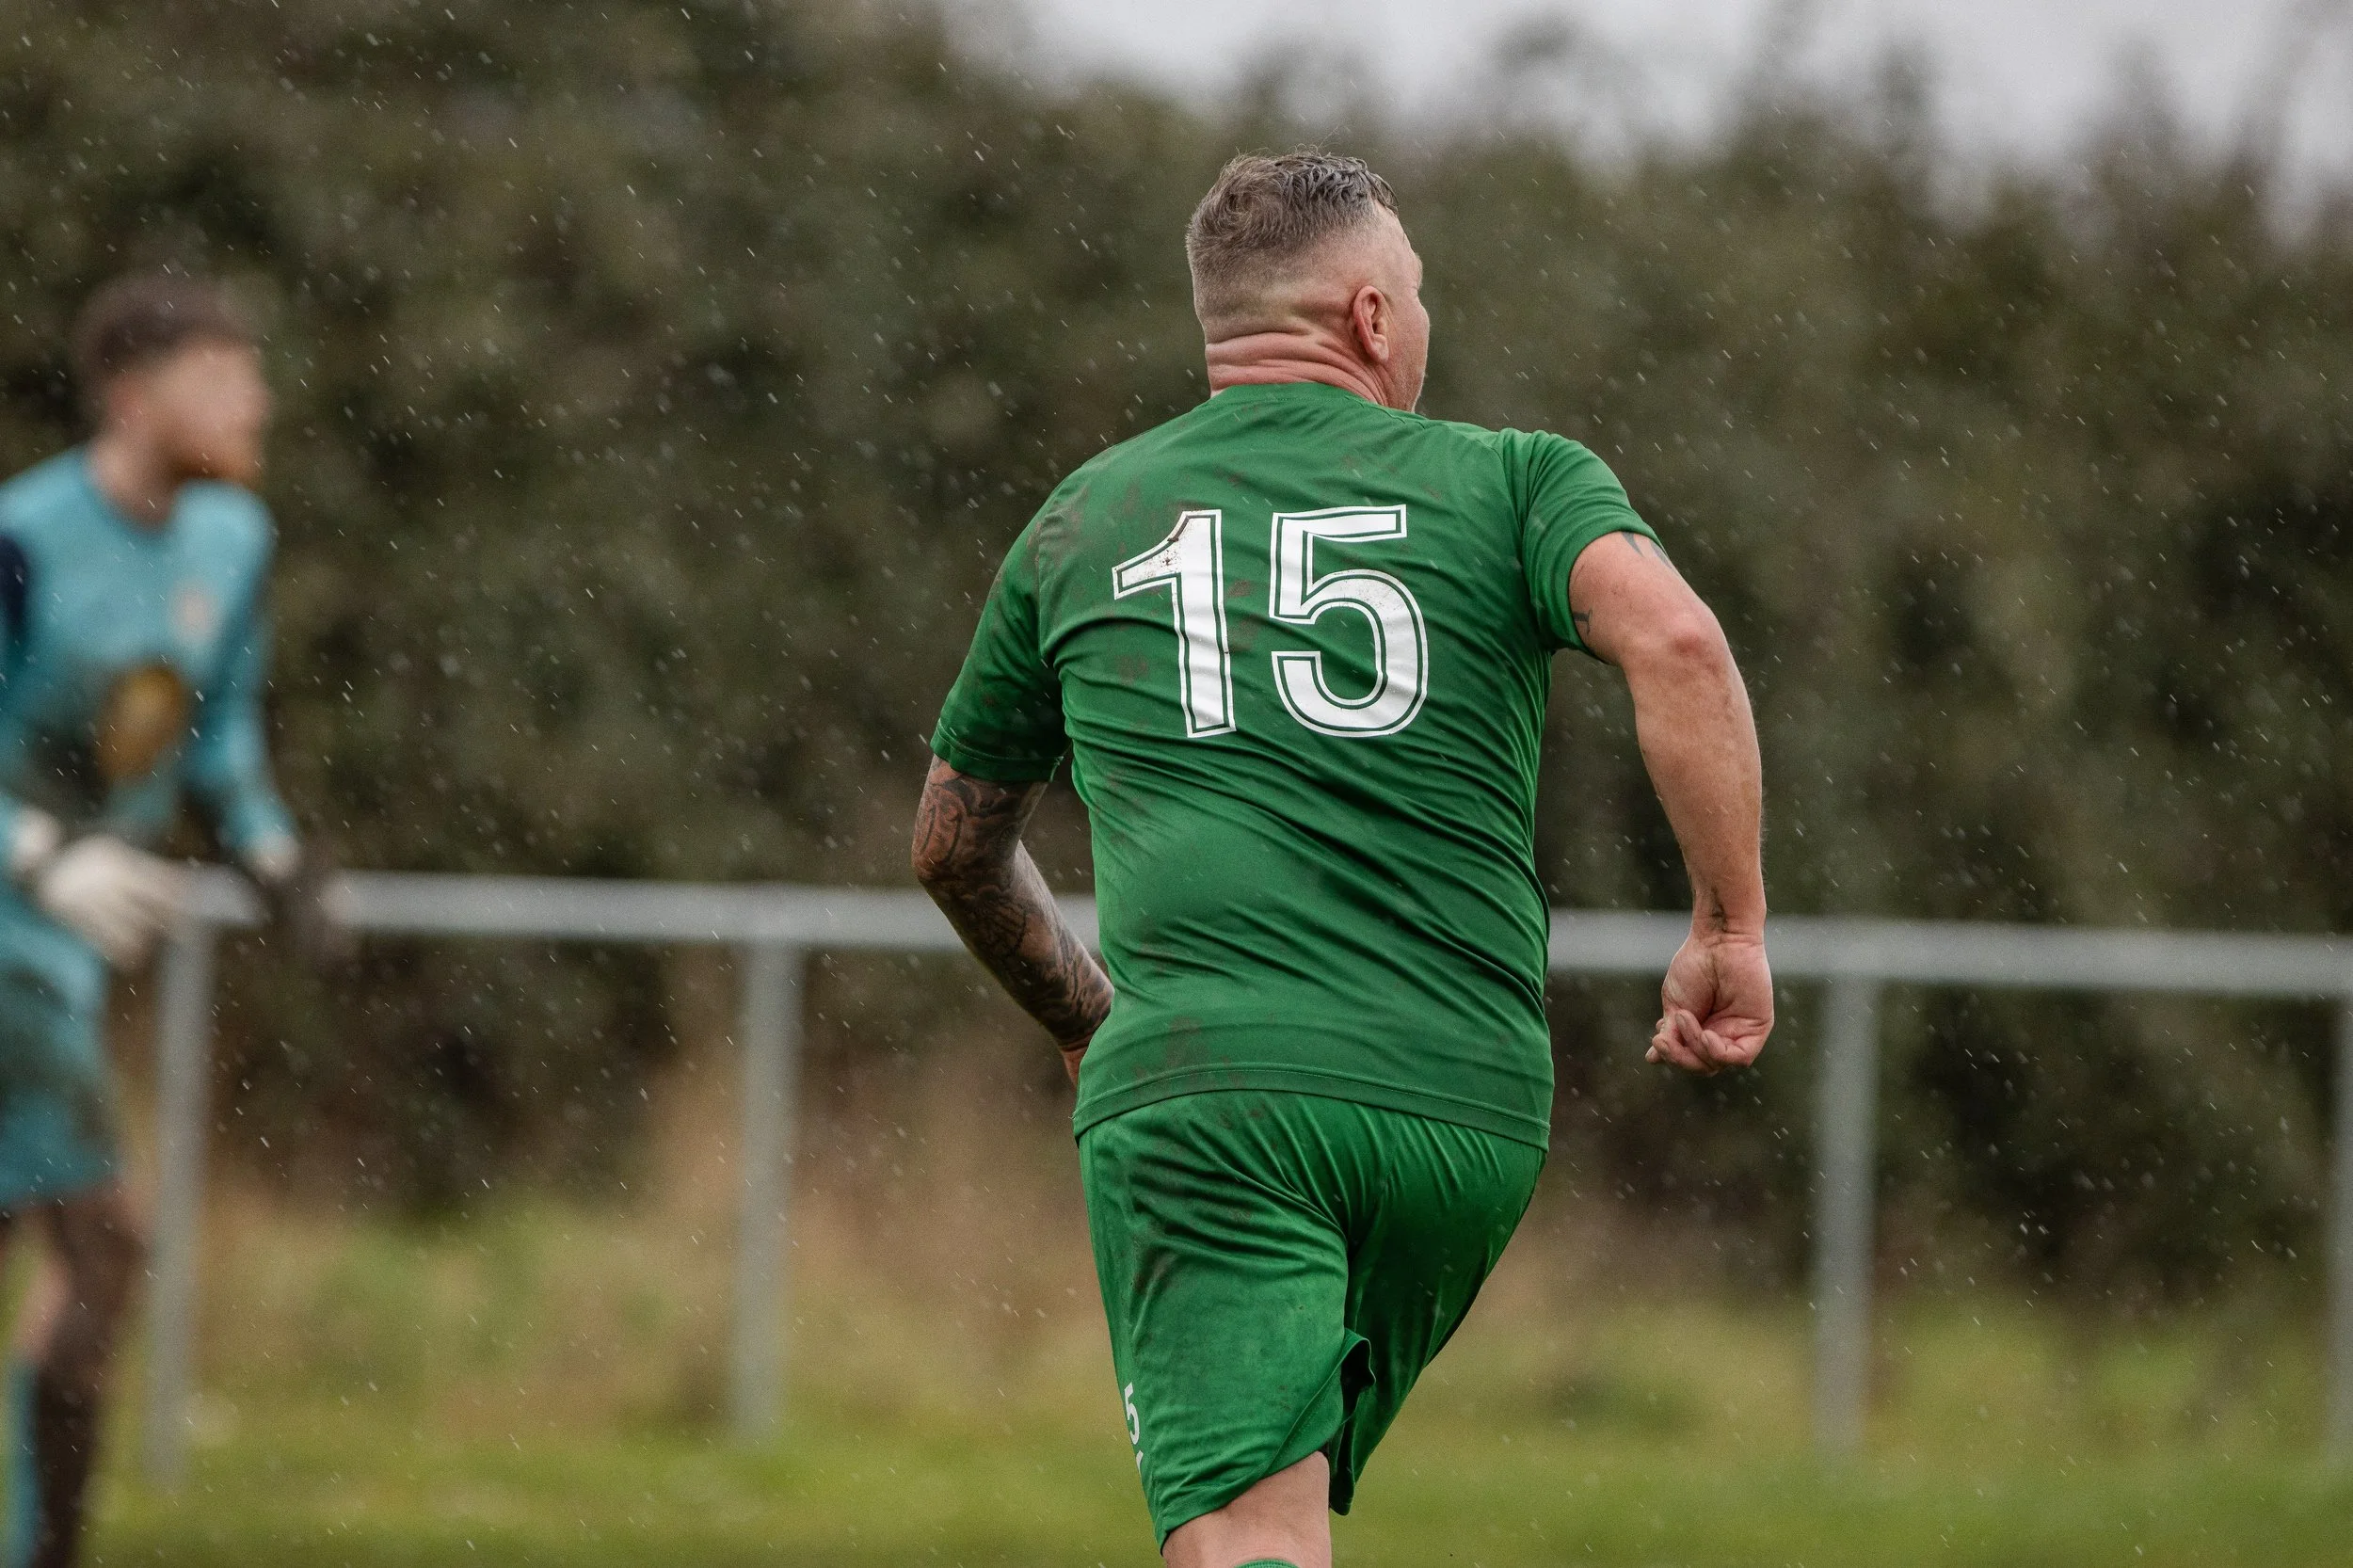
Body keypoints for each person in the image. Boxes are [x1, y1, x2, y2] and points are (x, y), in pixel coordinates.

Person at [911, 152, 1770, 1568]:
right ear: (1373, 318)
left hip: (1215, 1093)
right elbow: (1678, 641)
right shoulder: (1517, 480)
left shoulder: (1086, 518)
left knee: (1250, 1530)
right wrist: (1729, 923)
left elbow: (954, 845)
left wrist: (1085, 1015)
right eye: (1419, 293)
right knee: (1289, 1509)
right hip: (1467, 1110)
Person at [0, 272, 328, 1568]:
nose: (257, 399)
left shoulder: (231, 542)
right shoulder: (23, 538)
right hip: (11, 928)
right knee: (104, 1241)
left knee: (73, 1249)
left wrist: (273, 849)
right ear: (133, 400)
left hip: (63, 952)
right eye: (220, 376)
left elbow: (215, 725)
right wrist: (36, 855)